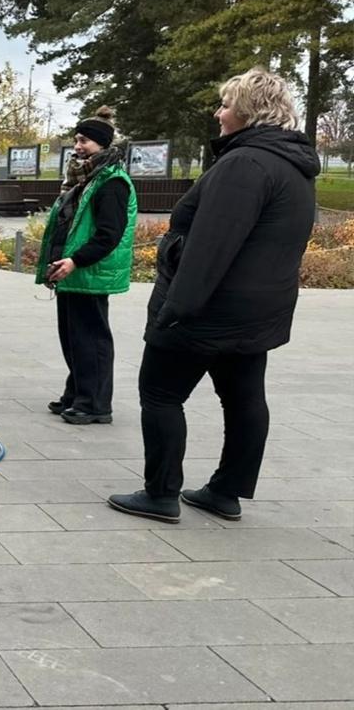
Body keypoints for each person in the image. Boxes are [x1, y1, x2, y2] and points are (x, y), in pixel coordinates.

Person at [109, 68, 320, 523]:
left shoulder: (244, 165)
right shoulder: (293, 167)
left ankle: (161, 494)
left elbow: (210, 247)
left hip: (206, 310)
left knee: (161, 393)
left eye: (225, 105)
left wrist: (174, 309)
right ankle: (225, 492)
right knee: (244, 397)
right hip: (257, 312)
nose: (218, 113)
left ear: (247, 113)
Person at [35, 106, 137, 425]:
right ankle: (76, 392)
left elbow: (109, 235)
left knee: (90, 338)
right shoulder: (85, 178)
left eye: (85, 142)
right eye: (77, 140)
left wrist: (76, 260)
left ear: (102, 145)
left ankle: (94, 404)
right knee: (73, 335)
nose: (78, 147)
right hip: (72, 269)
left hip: (88, 272)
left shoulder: (112, 182)